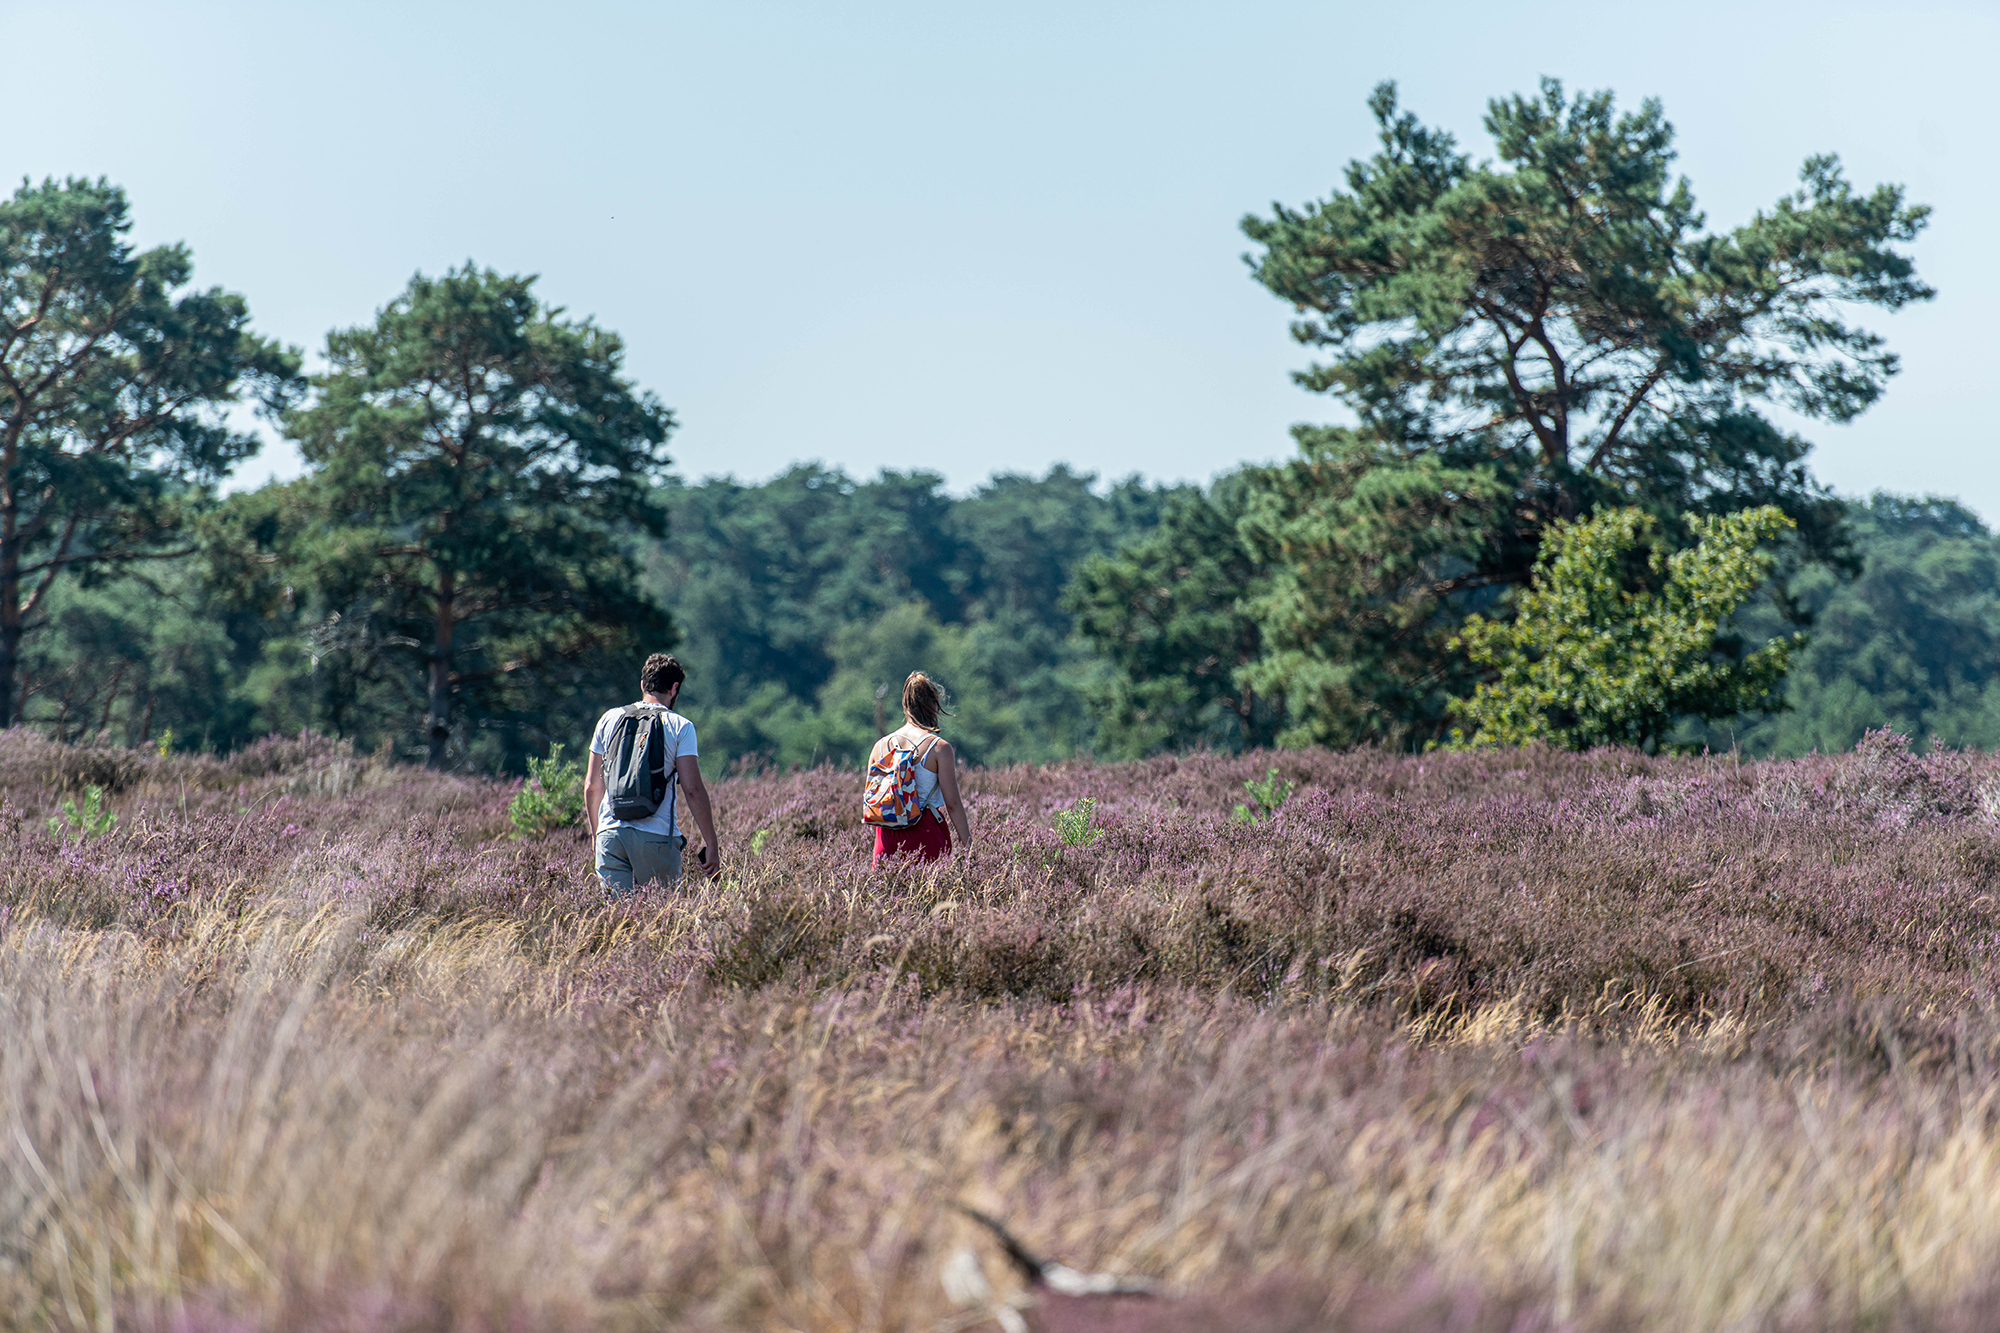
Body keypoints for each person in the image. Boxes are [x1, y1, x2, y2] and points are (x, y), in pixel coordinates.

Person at [582, 653, 721, 892]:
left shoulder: (608, 719)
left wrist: (597, 834)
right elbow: (693, 790)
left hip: (609, 833)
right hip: (655, 835)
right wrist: (711, 843)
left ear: (643, 685)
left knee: (616, 922)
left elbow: (592, 787)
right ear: (675, 688)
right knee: (662, 919)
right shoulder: (681, 727)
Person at [867, 671, 970, 865]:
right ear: (934, 705)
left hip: (886, 837)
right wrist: (969, 848)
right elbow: (953, 804)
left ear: (905, 706)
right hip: (926, 834)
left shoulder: (879, 747)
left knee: (886, 894)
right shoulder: (939, 748)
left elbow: (872, 803)